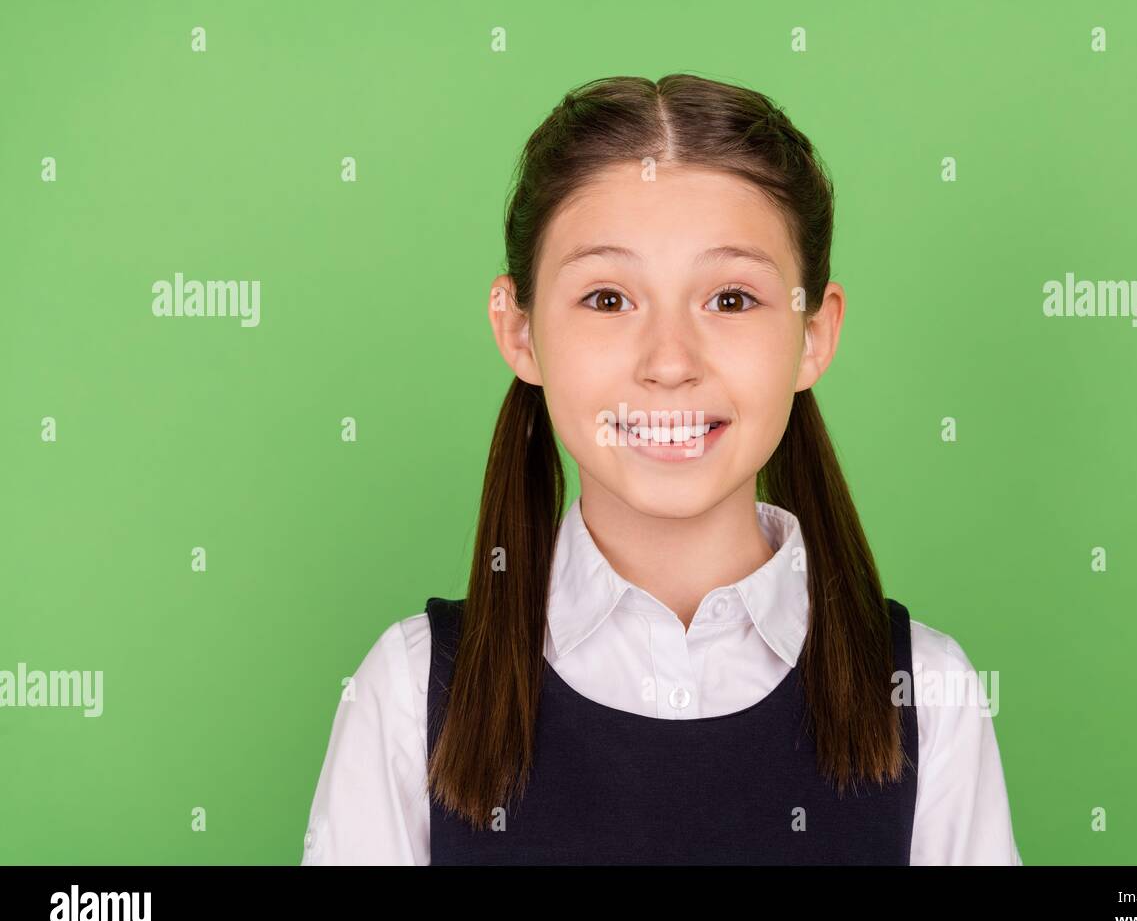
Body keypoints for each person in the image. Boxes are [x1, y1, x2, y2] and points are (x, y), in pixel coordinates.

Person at [302, 73, 1023, 865]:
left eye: (732, 300)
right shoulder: (409, 692)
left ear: (814, 334)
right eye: (608, 299)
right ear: (520, 332)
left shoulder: (929, 693)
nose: (670, 362)